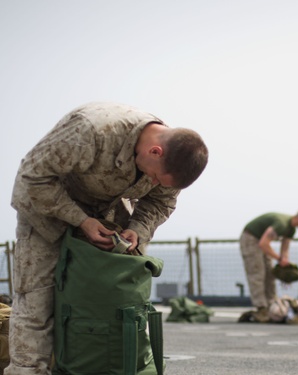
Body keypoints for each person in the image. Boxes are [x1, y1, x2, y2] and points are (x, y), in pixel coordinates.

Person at [7, 102, 209, 374]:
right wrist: (82, 221)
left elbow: (160, 203)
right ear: (155, 151)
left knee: (115, 297)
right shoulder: (92, 130)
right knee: (36, 301)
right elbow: (32, 179)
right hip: (48, 210)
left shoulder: (173, 161)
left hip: (109, 213)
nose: (156, 183)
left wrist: (137, 230)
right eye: (156, 177)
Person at [239, 210, 298, 322]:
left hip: (262, 241)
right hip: (251, 238)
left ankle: (271, 304)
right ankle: (261, 308)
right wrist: (278, 258)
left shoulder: (291, 229)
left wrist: (284, 262)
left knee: (270, 273)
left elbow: (285, 248)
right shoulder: (281, 224)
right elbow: (263, 243)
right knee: (258, 273)